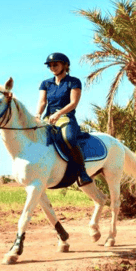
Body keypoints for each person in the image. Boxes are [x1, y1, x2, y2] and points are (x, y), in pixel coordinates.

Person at [35, 52, 93, 186]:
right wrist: (38, 114)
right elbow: (42, 102)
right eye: (50, 66)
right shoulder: (46, 83)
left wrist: (59, 113)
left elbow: (73, 103)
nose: (52, 67)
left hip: (66, 117)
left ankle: (82, 172)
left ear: (65, 65)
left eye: (55, 64)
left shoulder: (73, 82)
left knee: (69, 138)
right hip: (48, 118)